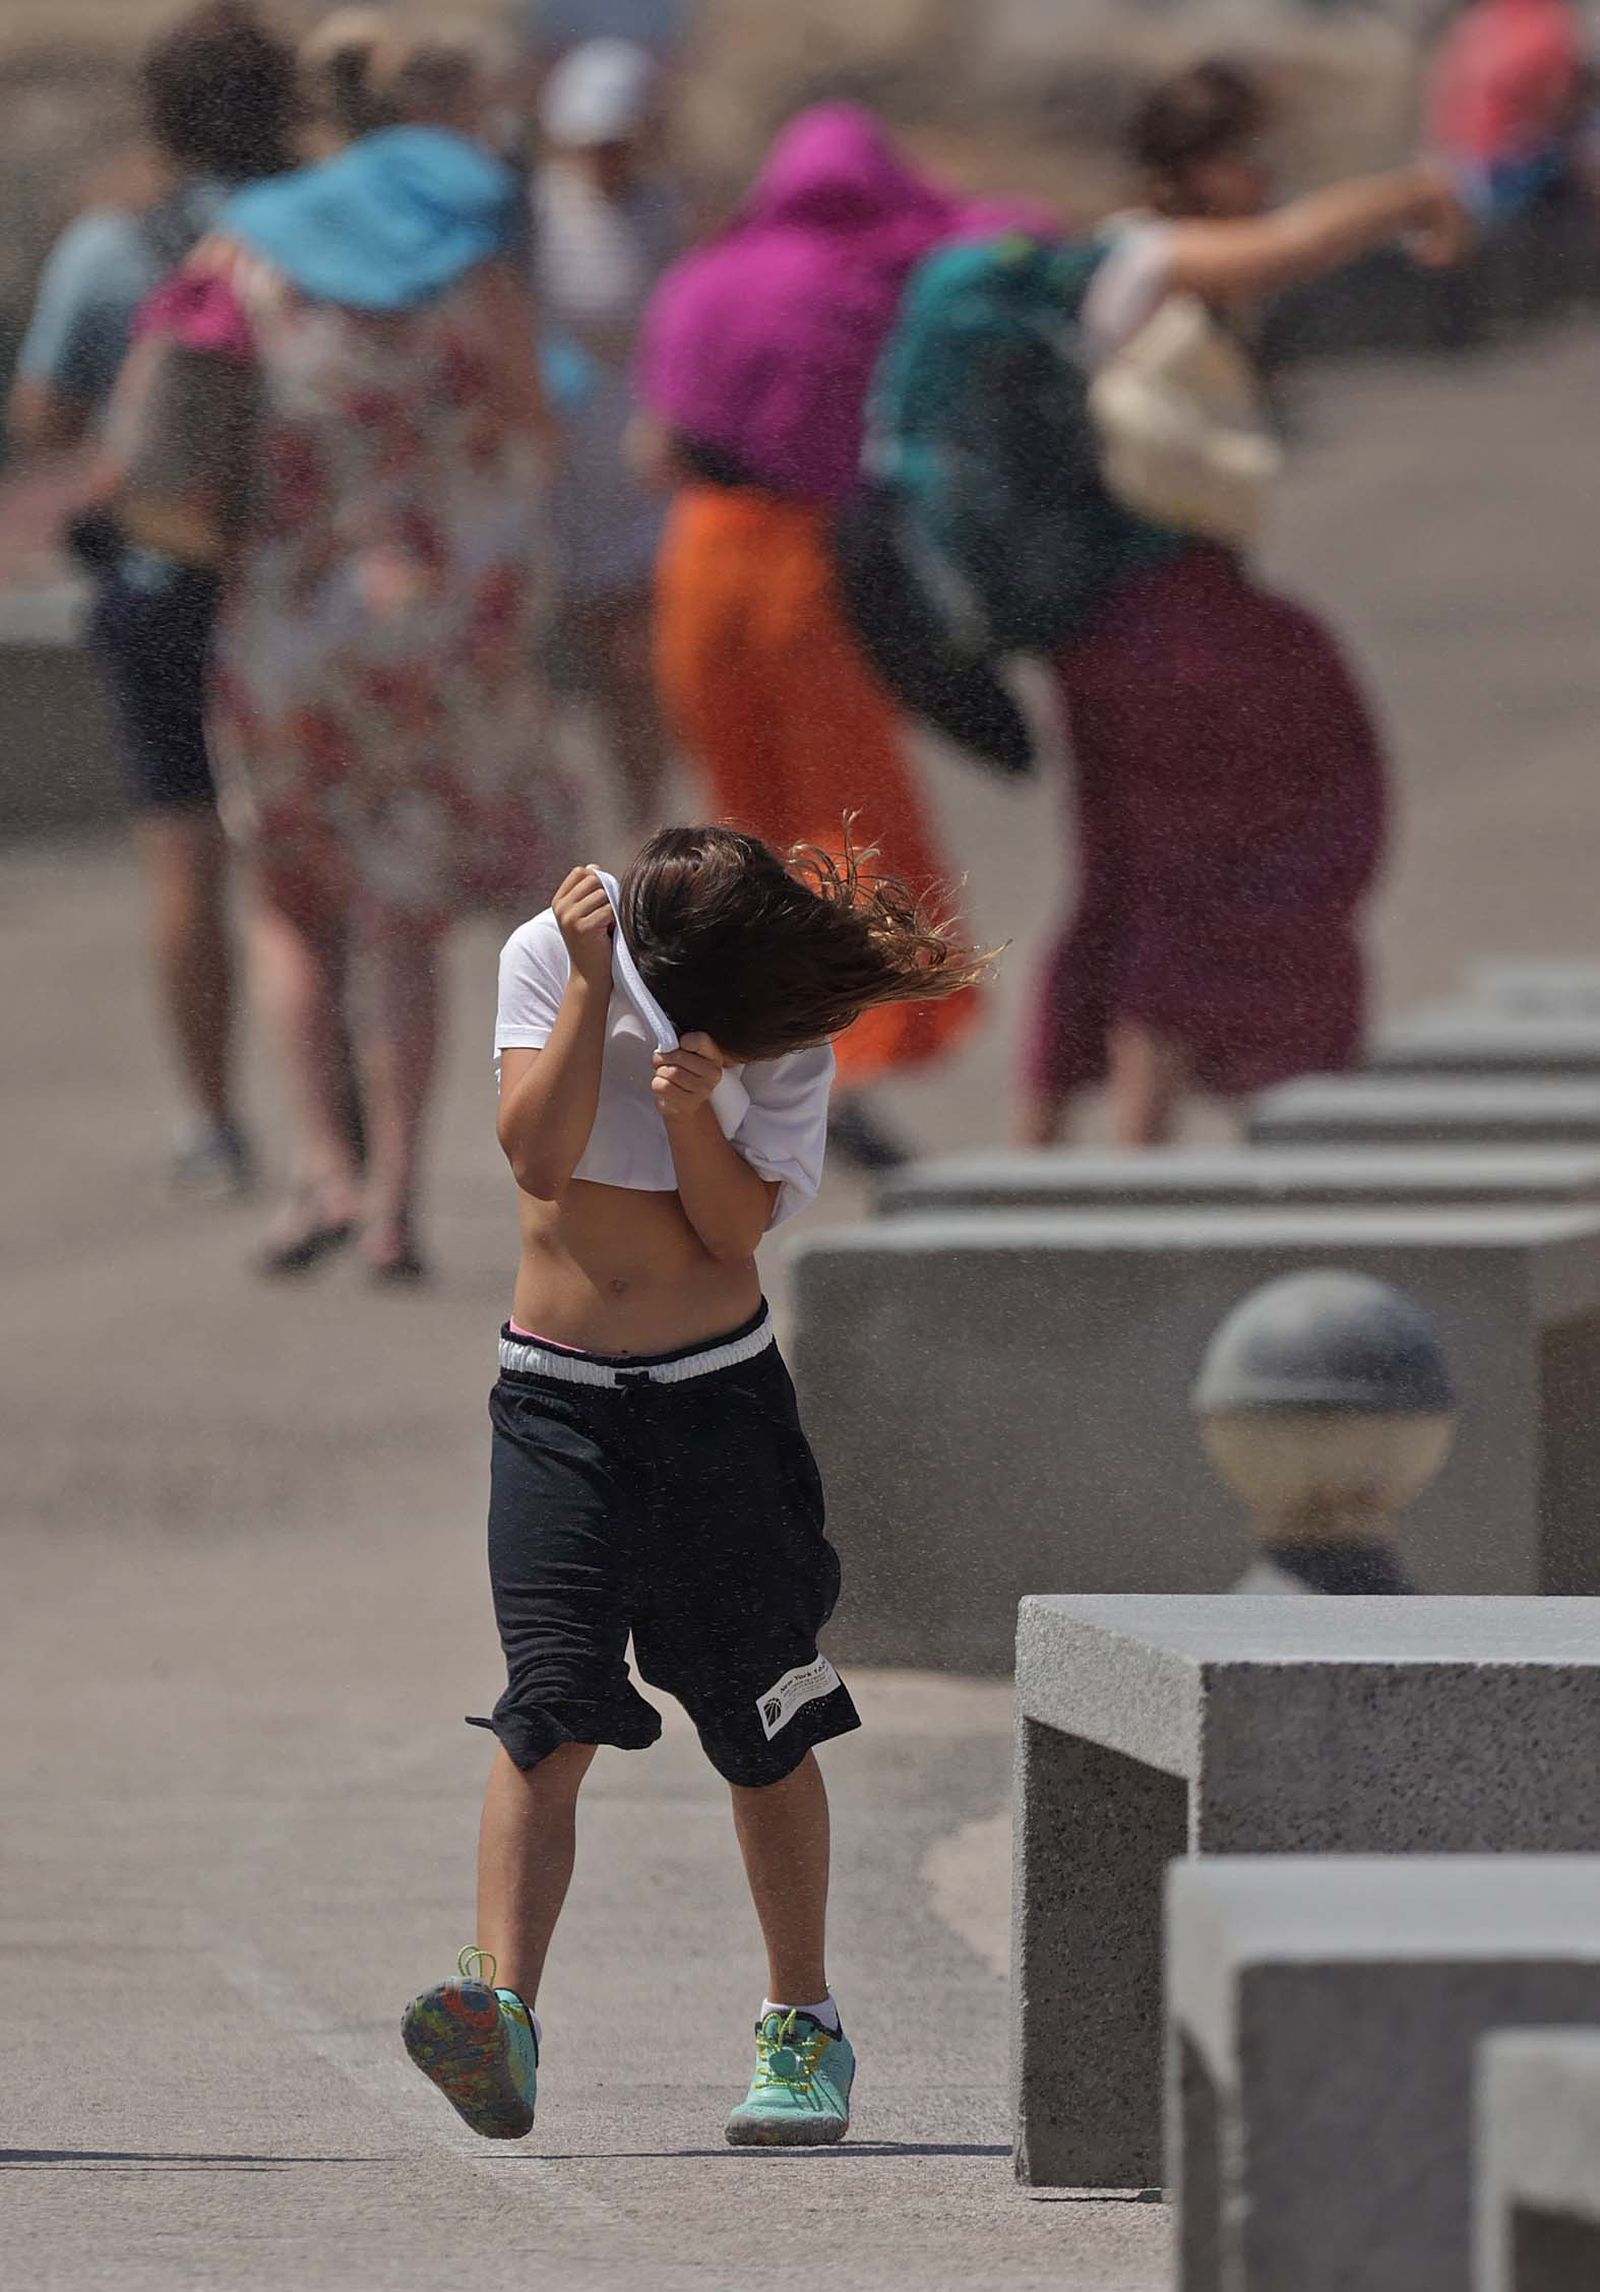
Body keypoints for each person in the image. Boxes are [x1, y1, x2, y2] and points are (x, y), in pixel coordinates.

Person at [400, 824, 992, 2146]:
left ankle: (802, 2026)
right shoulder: (553, 952)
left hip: (715, 1409)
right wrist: (593, 989)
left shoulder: (777, 1027)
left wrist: (692, 1110)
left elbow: (732, 1232)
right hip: (556, 1404)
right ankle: (501, 2015)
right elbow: (535, 1156)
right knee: (547, 1705)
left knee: (758, 1715)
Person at [141, 17, 572, 1281]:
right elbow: (534, 431)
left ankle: (319, 1165)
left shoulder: (247, 244)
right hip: (439, 627)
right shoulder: (467, 257)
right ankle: (393, 1203)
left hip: (283, 620)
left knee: (291, 901)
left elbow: (173, 422)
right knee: (405, 915)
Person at [1020, 62, 1471, 1148]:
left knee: (1134, 877)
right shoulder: (1145, 257)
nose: (1266, 179)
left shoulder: (1130, 262)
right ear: (1205, 165)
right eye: (1250, 157)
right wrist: (1415, 196)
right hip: (1163, 617)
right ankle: (1137, 1149)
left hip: (1129, 621)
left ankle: (1074, 1149)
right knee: (1199, 872)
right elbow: (1290, 246)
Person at [636, 107, 1044, 1171]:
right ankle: (836, 1069)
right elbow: (1021, 241)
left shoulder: (704, 280)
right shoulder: (881, 270)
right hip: (810, 570)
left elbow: (655, 443)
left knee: (743, 821)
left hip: (697, 564)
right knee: (844, 823)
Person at [8, 2, 300, 1197]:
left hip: (158, 579)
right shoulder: (327, 232)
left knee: (185, 856)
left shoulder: (112, 242)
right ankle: (345, 1134)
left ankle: (214, 1124)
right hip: (300, 586)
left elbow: (46, 417)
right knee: (309, 865)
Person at [533, 39, 679, 836]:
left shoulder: (666, 211)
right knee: (600, 655)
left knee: (648, 651)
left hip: (647, 446)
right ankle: (632, 817)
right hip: (573, 451)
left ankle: (657, 814)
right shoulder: (537, 213)